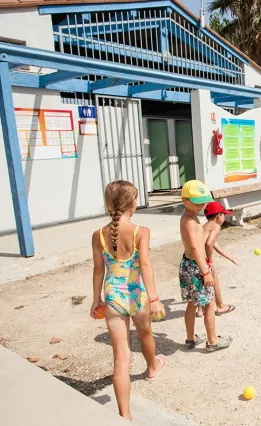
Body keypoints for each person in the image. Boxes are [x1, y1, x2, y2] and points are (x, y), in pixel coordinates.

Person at [90, 180, 166, 421]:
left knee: (121, 356)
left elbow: (98, 271)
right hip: (137, 295)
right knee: (145, 335)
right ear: (132, 203)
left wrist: (96, 299)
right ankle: (152, 367)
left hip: (112, 297)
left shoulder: (97, 235)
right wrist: (154, 298)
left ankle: (125, 415)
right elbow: (145, 265)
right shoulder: (140, 232)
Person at [179, 180, 233, 351]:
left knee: (192, 303)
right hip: (196, 267)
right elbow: (195, 247)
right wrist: (205, 271)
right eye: (196, 201)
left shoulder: (191, 217)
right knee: (209, 304)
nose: (200, 205)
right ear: (184, 201)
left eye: (202, 201)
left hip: (189, 264)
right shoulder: (189, 221)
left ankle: (190, 339)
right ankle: (212, 340)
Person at [195, 201, 239, 318]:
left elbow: (214, 244)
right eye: (224, 214)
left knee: (201, 283)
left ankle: (200, 310)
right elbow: (209, 244)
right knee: (214, 281)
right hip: (203, 260)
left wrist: (230, 257)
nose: (224, 217)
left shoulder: (205, 226)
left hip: (195, 259)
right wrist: (209, 262)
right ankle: (220, 306)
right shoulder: (216, 226)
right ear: (219, 215)